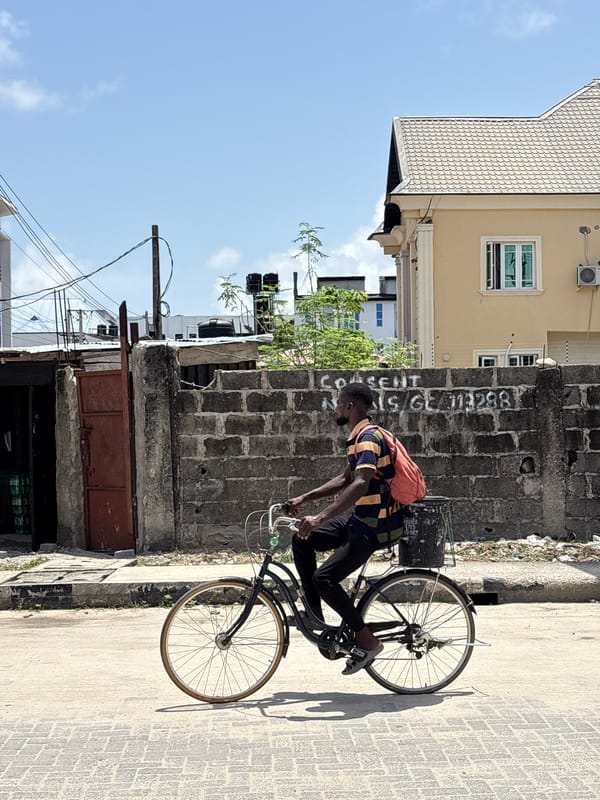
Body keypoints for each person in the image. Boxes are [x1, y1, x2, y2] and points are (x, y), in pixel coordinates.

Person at [285, 381, 405, 675]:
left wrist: (320, 518)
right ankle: (315, 616)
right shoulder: (358, 438)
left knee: (324, 578)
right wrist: (305, 498)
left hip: (374, 526)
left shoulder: (368, 439)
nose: (336, 408)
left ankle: (368, 642)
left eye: (339, 403)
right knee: (302, 540)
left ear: (350, 406)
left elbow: (361, 483)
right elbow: (345, 479)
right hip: (361, 519)